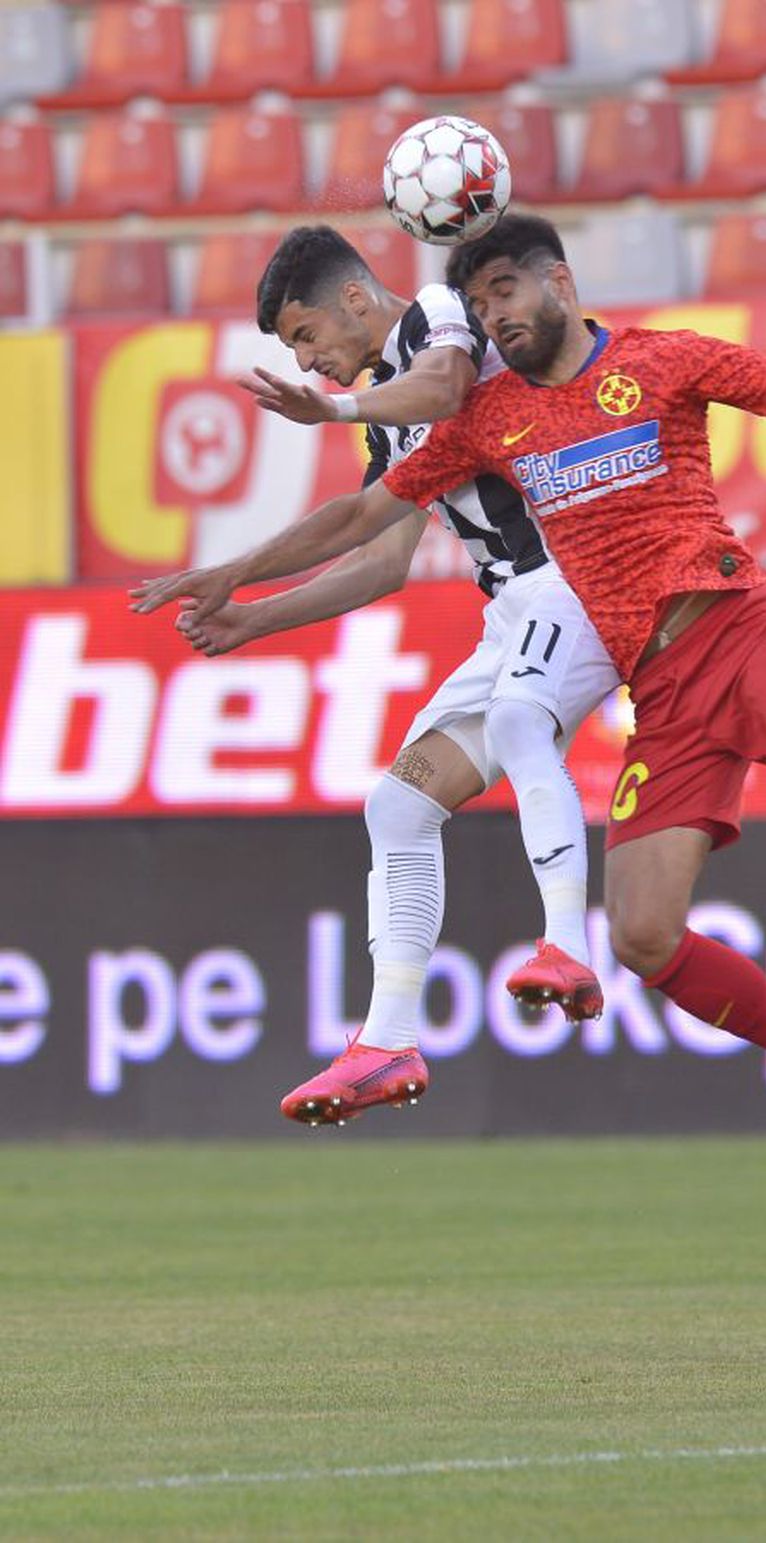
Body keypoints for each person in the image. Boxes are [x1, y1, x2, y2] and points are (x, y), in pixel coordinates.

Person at [133, 214, 766, 1197]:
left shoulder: (662, 361)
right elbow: (368, 520)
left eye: (506, 293)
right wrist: (232, 575)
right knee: (646, 935)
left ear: (559, 285)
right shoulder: (488, 420)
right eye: (481, 301)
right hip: (658, 692)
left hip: (742, 630)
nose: (496, 315)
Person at [134, 225, 619, 1127]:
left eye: (305, 335)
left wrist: (334, 415)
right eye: (294, 352)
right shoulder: (390, 415)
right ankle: (387, 1040)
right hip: (517, 609)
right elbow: (380, 552)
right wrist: (250, 615)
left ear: (356, 298)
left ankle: (566, 945)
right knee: (397, 804)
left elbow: (448, 383)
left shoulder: (439, 318)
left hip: (581, 569)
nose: (310, 361)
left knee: (520, 721)